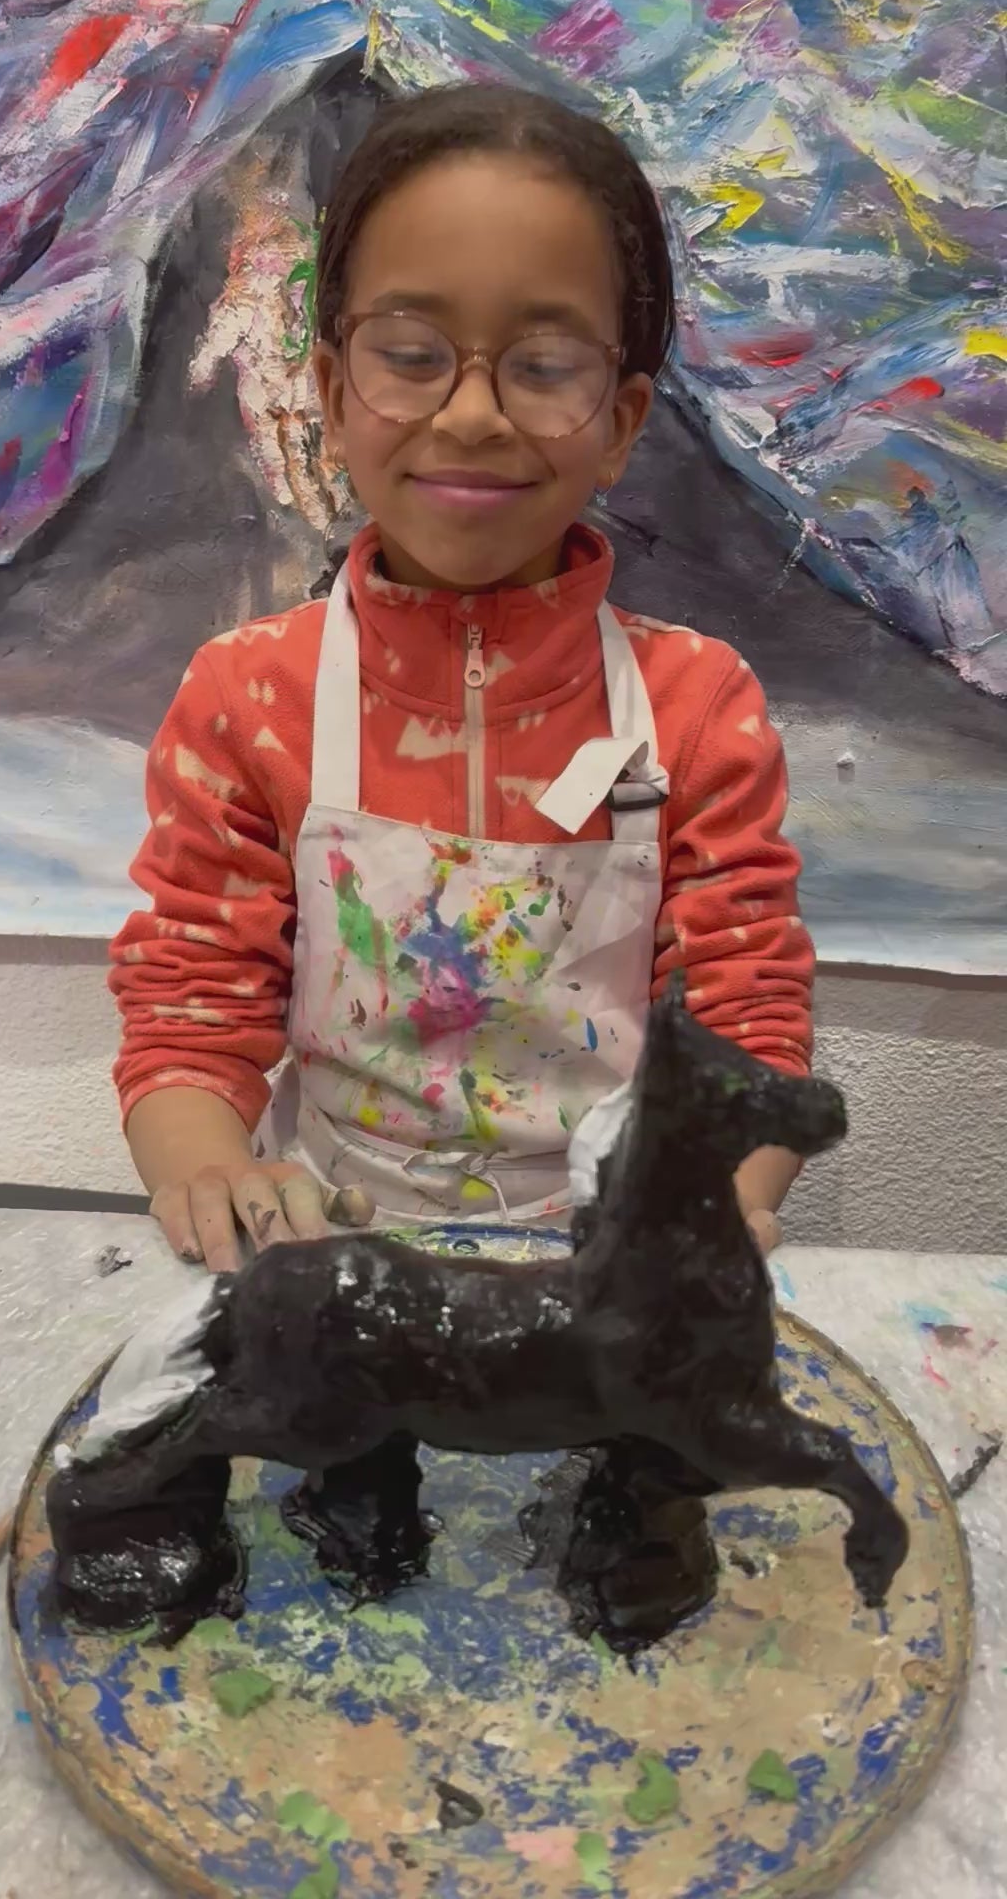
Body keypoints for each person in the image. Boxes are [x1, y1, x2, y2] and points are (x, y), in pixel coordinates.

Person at [109, 83, 814, 1273]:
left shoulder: (695, 708)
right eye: (410, 355)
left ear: (620, 421)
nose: (475, 414)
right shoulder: (249, 697)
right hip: (329, 1258)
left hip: (608, 1267)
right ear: (333, 393)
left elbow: (745, 1021)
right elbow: (190, 1013)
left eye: (543, 364)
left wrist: (711, 1202)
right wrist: (210, 1171)